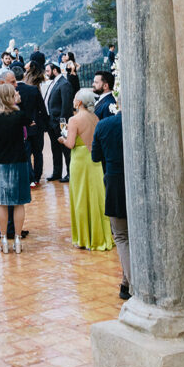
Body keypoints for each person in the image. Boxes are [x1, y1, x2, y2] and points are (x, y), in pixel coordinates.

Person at [59, 89, 114, 251]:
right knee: (97, 197)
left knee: (81, 197)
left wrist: (62, 139)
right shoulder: (95, 117)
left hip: (80, 161)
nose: (73, 101)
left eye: (74, 99)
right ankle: (99, 235)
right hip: (94, 160)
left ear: (79, 102)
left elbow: (70, 144)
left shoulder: (74, 119)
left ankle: (84, 238)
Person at [0, 84, 31, 254]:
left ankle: (3, 239)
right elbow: (30, 123)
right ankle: (17, 239)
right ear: (11, 96)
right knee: (19, 202)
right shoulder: (19, 115)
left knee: (1, 202)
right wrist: (19, 104)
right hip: (19, 161)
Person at [92, 106, 132, 298]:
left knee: (121, 236)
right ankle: (126, 282)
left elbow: (95, 156)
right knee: (131, 236)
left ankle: (132, 284)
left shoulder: (104, 125)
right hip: (139, 180)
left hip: (115, 182)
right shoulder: (137, 122)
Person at [12, 64, 48, 187]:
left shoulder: (12, 92)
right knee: (38, 153)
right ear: (23, 75)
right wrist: (45, 125)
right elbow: (42, 109)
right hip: (36, 126)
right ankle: (37, 177)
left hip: (22, 128)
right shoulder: (33, 89)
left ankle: (30, 178)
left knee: (26, 154)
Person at [44, 61, 74, 182]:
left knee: (66, 149)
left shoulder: (64, 84)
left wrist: (62, 124)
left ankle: (70, 173)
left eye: (48, 71)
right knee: (55, 149)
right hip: (51, 121)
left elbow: (66, 106)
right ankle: (57, 172)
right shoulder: (54, 82)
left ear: (55, 70)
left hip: (59, 123)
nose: (46, 73)